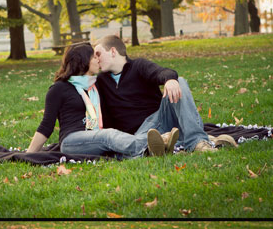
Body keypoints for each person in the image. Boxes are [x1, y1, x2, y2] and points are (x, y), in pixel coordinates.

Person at [94, 35, 237, 152]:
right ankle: (198, 140)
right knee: (139, 143)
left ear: (113, 51)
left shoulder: (138, 66)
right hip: (141, 134)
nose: (96, 59)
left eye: (98, 54)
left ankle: (197, 142)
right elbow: (106, 117)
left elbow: (163, 72)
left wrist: (169, 80)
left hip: (161, 118)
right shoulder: (101, 81)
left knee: (179, 81)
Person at [26, 42, 168, 158]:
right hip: (72, 141)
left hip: (95, 139)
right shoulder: (59, 88)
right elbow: (46, 126)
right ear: (84, 61)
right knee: (109, 135)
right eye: (94, 57)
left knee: (115, 149)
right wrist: (29, 154)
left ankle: (148, 151)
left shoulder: (96, 86)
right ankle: (157, 144)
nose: (98, 60)